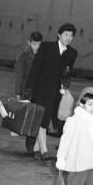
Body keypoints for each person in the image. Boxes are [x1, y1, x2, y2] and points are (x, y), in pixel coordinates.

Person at [25, 23, 78, 162]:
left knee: (46, 118)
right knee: (40, 118)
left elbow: (68, 73)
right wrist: (29, 88)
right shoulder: (46, 47)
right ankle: (43, 150)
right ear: (59, 35)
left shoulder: (72, 53)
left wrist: (65, 85)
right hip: (40, 88)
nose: (68, 38)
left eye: (71, 36)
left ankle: (37, 149)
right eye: (66, 34)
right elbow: (35, 67)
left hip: (55, 91)